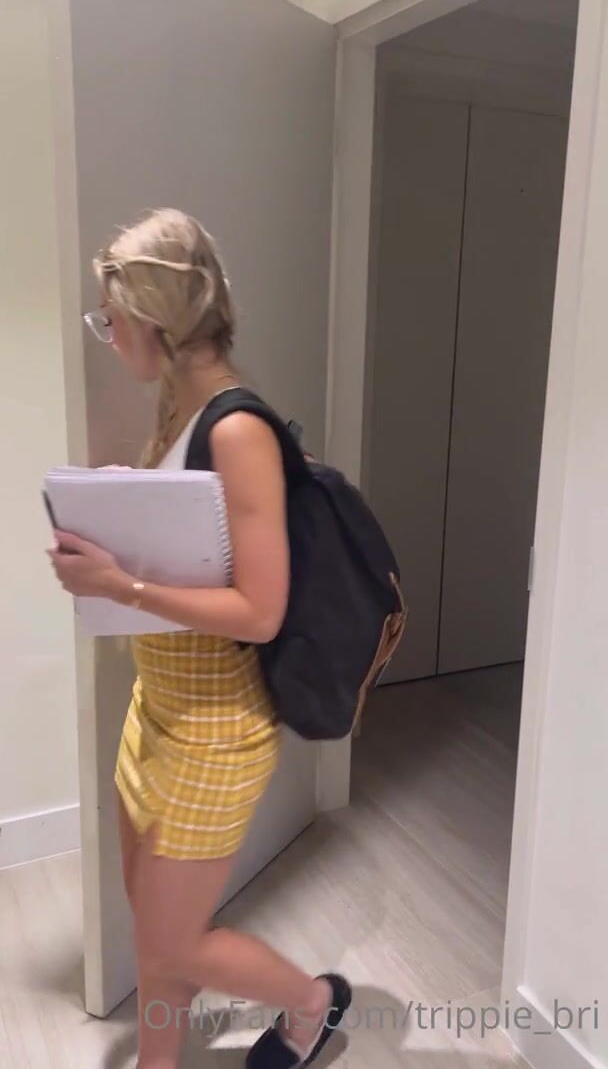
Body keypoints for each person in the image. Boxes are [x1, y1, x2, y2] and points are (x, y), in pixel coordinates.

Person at [49, 208, 350, 1069]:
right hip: (159, 710)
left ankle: (313, 1004)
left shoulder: (236, 429)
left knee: (177, 940)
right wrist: (130, 503)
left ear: (155, 318)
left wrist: (122, 585)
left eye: (112, 319)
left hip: (216, 728)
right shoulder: (183, 415)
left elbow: (259, 610)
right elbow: (204, 550)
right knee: (155, 927)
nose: (110, 337)